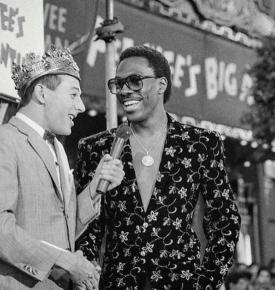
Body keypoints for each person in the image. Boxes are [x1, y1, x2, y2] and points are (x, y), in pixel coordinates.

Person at [76, 45, 241, 289]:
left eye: (134, 81)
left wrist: (207, 282)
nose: (124, 91)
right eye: (118, 83)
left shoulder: (200, 144)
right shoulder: (96, 147)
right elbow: (90, 227)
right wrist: (87, 275)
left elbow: (225, 219)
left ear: (161, 85)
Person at [0, 46, 124, 290]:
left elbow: (60, 231)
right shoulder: (6, 140)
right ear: (42, 93)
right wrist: (66, 261)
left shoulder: (57, 148)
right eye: (73, 94)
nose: (79, 106)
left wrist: (94, 190)